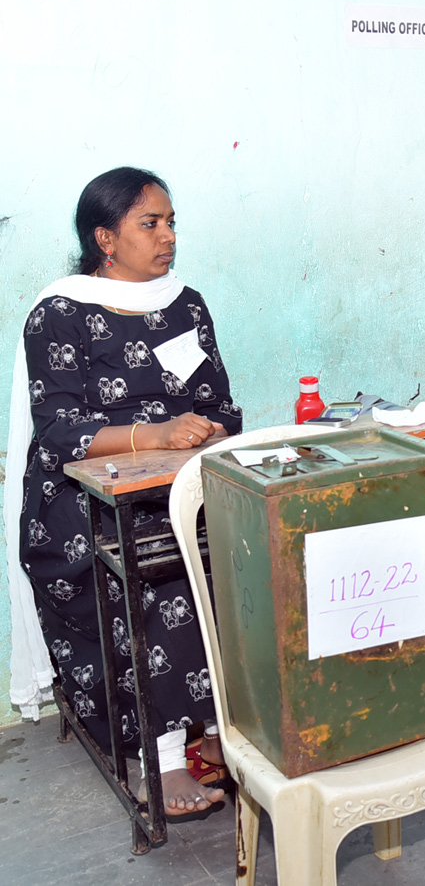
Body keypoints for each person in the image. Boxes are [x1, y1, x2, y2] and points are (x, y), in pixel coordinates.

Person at [4, 167, 243, 814]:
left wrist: (205, 429)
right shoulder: (61, 312)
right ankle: (161, 759)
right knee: (152, 574)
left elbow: (220, 403)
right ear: (106, 239)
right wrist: (157, 433)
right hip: (79, 504)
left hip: (174, 483)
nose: (168, 236)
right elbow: (58, 431)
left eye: (170, 222)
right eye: (150, 224)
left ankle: (224, 735)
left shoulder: (184, 302)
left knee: (248, 551)